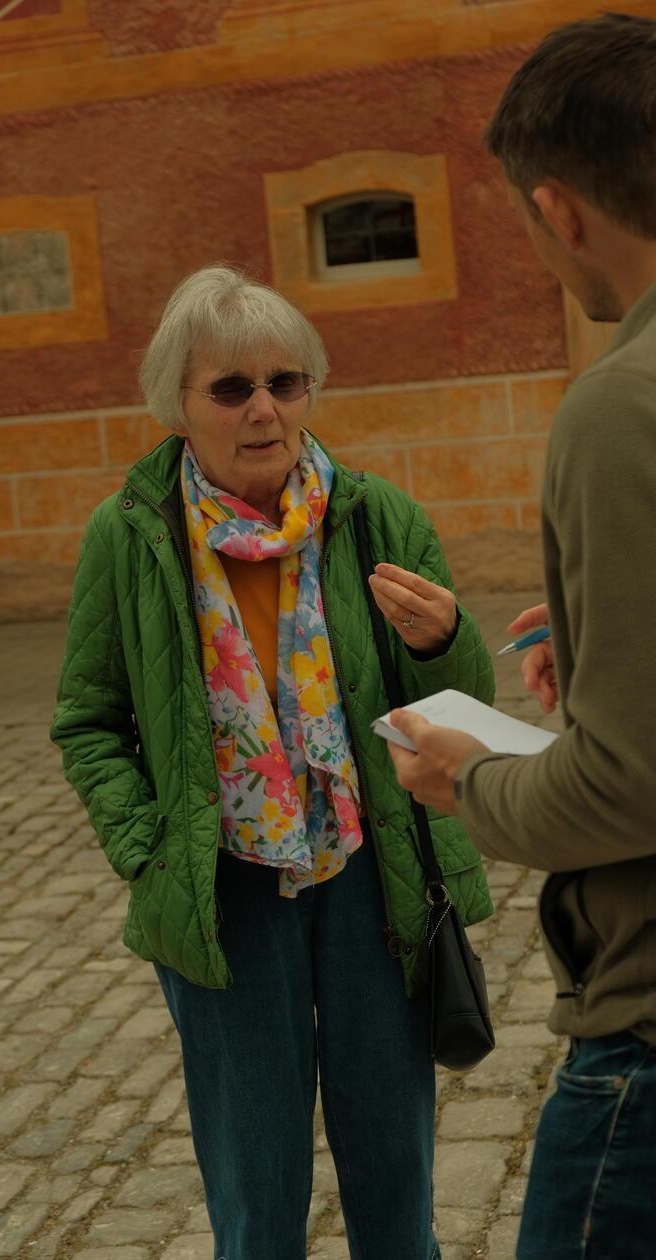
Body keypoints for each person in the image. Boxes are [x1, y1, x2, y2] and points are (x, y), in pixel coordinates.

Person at [50, 264, 494, 1260]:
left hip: (371, 869)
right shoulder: (132, 536)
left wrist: (442, 640)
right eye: (231, 388)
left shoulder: (374, 516)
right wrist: (150, 850)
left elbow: (460, 703)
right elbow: (89, 721)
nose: (263, 409)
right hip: (224, 884)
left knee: (394, 1165)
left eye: (284, 382)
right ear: (177, 403)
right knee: (255, 1176)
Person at [385, 15, 656, 1260]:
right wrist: (606, 620)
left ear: (557, 208)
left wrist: (467, 782)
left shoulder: (618, 405)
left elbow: (625, 787)